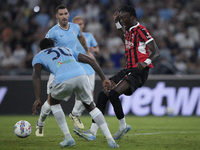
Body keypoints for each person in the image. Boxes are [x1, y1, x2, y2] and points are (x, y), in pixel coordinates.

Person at [74, 6, 160, 141]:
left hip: (139, 71)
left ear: (131, 17)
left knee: (113, 94)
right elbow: (123, 38)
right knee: (103, 95)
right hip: (127, 69)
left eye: (123, 17)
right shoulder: (129, 31)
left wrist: (146, 62)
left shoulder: (141, 30)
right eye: (120, 18)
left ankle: (123, 126)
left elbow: (156, 51)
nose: (122, 20)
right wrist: (116, 22)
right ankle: (92, 132)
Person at [32, 38, 119, 148]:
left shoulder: (39, 56)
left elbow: (36, 75)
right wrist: (103, 79)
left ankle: (68, 137)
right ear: (53, 45)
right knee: (91, 107)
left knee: (53, 102)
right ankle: (110, 140)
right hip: (81, 75)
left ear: (41, 49)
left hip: (63, 78)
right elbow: (91, 60)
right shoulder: (66, 49)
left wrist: (38, 98)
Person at [33, 4, 96, 136]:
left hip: (74, 66)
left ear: (69, 15)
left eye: (65, 13)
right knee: (50, 102)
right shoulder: (53, 31)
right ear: (57, 16)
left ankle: (75, 115)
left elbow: (81, 37)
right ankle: (40, 123)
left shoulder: (75, 27)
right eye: (61, 14)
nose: (63, 16)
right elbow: (45, 49)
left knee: (86, 94)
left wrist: (86, 51)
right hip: (58, 71)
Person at [69, 16, 100, 129]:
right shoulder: (70, 38)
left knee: (85, 97)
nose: (79, 26)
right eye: (77, 24)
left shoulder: (88, 36)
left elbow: (98, 50)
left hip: (90, 70)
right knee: (88, 94)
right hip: (78, 69)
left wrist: (94, 50)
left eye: (81, 24)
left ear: (84, 25)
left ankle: (76, 118)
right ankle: (95, 120)